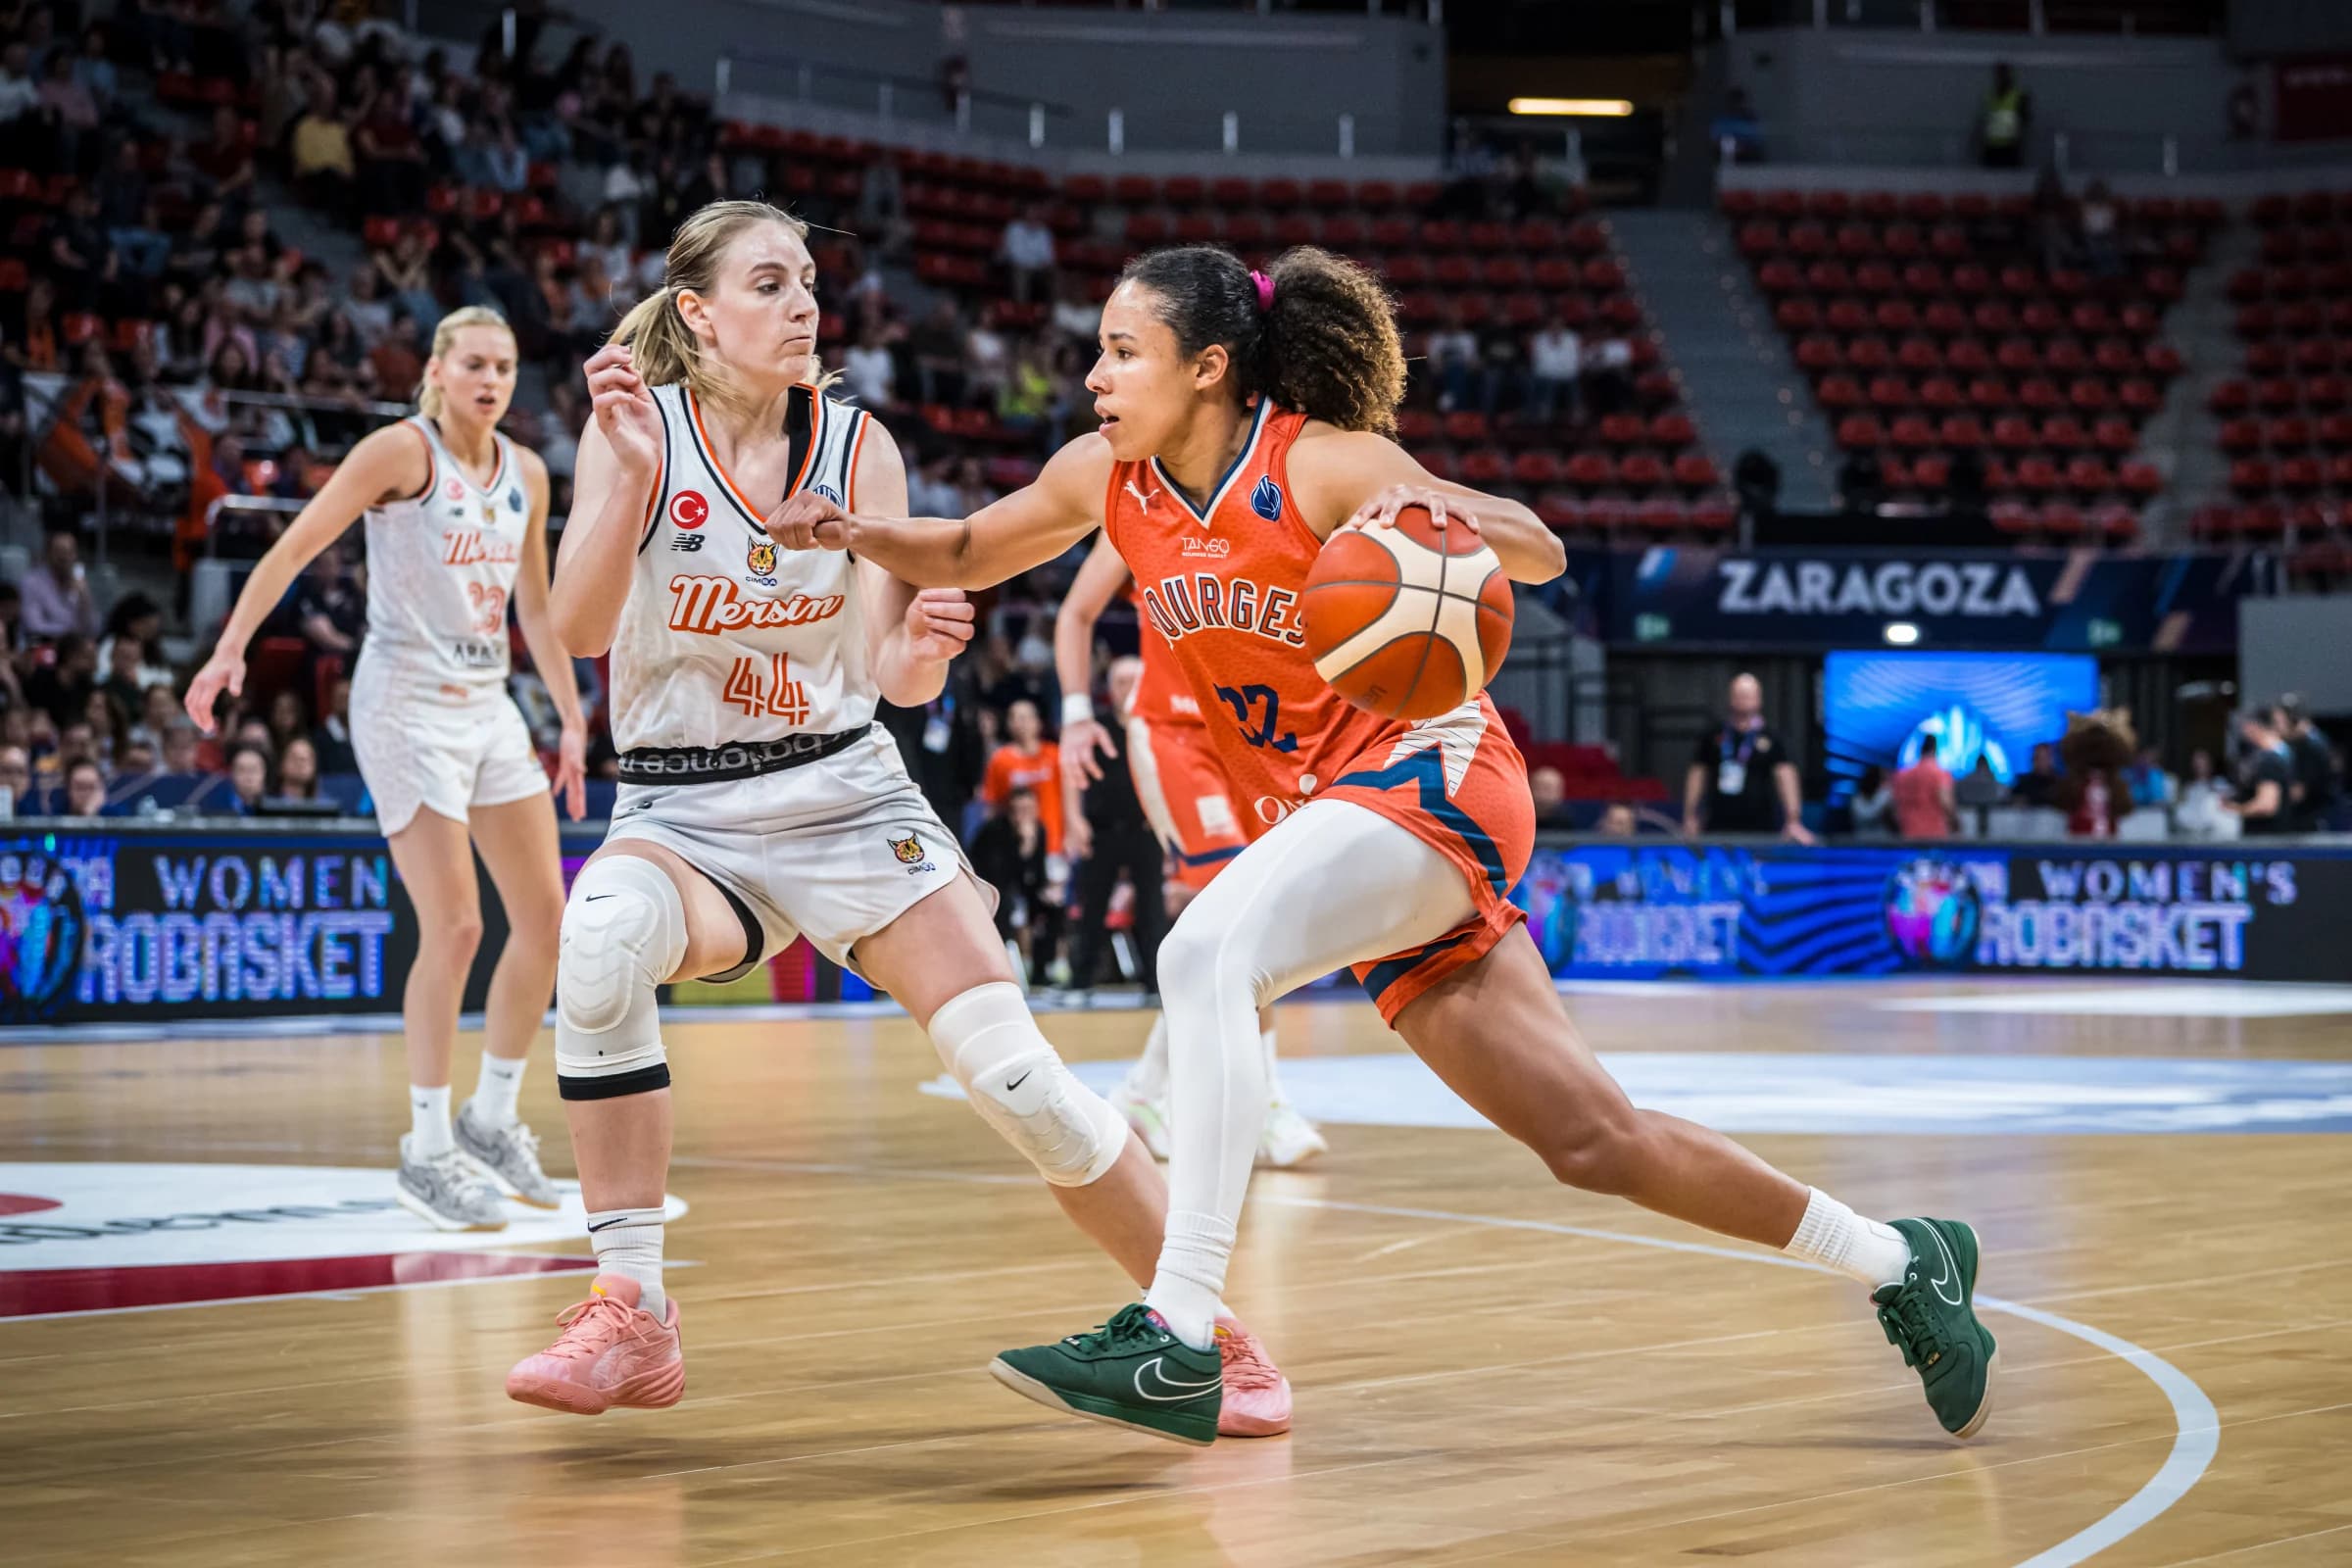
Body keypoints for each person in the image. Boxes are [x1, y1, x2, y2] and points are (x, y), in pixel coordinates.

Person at [768, 242, 1996, 1446]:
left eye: (1121, 351)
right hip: (1344, 822)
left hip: (1438, 772)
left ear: (1207, 367)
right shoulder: (1107, 478)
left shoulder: (1324, 463)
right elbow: (973, 549)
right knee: (1593, 1141)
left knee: (1204, 957)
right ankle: (1905, 1260)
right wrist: (852, 535)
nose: (1094, 374)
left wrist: (1433, 510)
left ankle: (1179, 1334)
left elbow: (1541, 548)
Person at [506, 199, 1292, 1435]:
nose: (804, 302)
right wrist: (632, 490)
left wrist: (924, 642)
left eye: (809, 281)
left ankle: (1214, 1337)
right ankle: (632, 1313)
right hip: (685, 809)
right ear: (698, 313)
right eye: (769, 284)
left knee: (1016, 1077)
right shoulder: (632, 428)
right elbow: (580, 632)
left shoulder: (858, 445)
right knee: (598, 941)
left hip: (846, 792)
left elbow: (889, 674)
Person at [185, 306, 586, 1233]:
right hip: (403, 701)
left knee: (547, 923)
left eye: (505, 366)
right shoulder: (399, 454)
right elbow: (295, 546)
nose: (491, 381)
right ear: (438, 371)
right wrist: (231, 648)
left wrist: (568, 713)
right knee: (453, 929)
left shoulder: (525, 471)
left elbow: (533, 601)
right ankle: (425, 1149)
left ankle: (490, 1119)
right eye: (474, 364)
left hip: (488, 704)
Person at [1054, 546, 1324, 1167]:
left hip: (1255, 731)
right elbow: (1076, 611)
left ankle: (1145, 1091)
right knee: (1248, 917)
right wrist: (1074, 713)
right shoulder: (1137, 504)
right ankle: (1267, 1103)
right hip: (1173, 734)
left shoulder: (1272, 495)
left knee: (1244, 929)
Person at [1683, 674, 1814, 844]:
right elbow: (1697, 775)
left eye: (1749, 695)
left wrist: (1793, 819)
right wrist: (1690, 815)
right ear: (1731, 698)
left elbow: (1786, 777)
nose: (1744, 700)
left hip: (1761, 826)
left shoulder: (1772, 737)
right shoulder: (1713, 736)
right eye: (1739, 695)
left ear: (1759, 699)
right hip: (1718, 823)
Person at [979, 698, 1064, 858]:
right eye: (1015, 718)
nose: (1021, 723)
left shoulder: (1054, 755)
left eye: (1025, 718)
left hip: (1053, 841)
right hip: (1013, 844)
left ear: (1038, 722)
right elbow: (992, 805)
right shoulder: (1000, 760)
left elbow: (1069, 798)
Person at [21, 526, 98, 642]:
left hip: (73, 648)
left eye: (69, 552)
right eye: (60, 552)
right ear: (48, 554)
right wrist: (70, 632)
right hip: (44, 645)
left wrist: (84, 597)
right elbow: (33, 626)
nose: (65, 557)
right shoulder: (31, 582)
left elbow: (93, 629)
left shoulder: (79, 581)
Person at [2227, 710, 2293, 836]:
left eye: (2244, 728)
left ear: (2253, 727)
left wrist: (2234, 810)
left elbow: (2267, 805)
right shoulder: (2268, 755)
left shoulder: (2270, 760)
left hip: (2266, 840)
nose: (2243, 733)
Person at [2275, 697, 2337, 831]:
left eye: (2279, 722)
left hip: (2316, 819)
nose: (2276, 727)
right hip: (2306, 816)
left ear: (2293, 721)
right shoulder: (2295, 743)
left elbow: (2298, 792)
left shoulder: (2312, 747)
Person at [1890, 736, 1956, 840]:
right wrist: (1956, 821)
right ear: (1935, 749)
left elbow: (1894, 806)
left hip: (1907, 833)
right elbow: (1945, 802)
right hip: (1934, 834)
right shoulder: (1939, 773)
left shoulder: (1902, 775)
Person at [1979, 62, 2030, 170]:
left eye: (2003, 74)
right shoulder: (1990, 96)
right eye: (1998, 75)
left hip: (2010, 149)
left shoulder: (2018, 97)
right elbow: (1984, 121)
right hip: (1991, 148)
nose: (2000, 78)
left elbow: (2025, 121)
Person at [2010, 742, 2062, 809]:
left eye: (2044, 758)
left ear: (2051, 759)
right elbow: (2015, 803)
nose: (2041, 762)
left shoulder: (2060, 784)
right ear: (2033, 760)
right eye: (2038, 758)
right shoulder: (2023, 783)